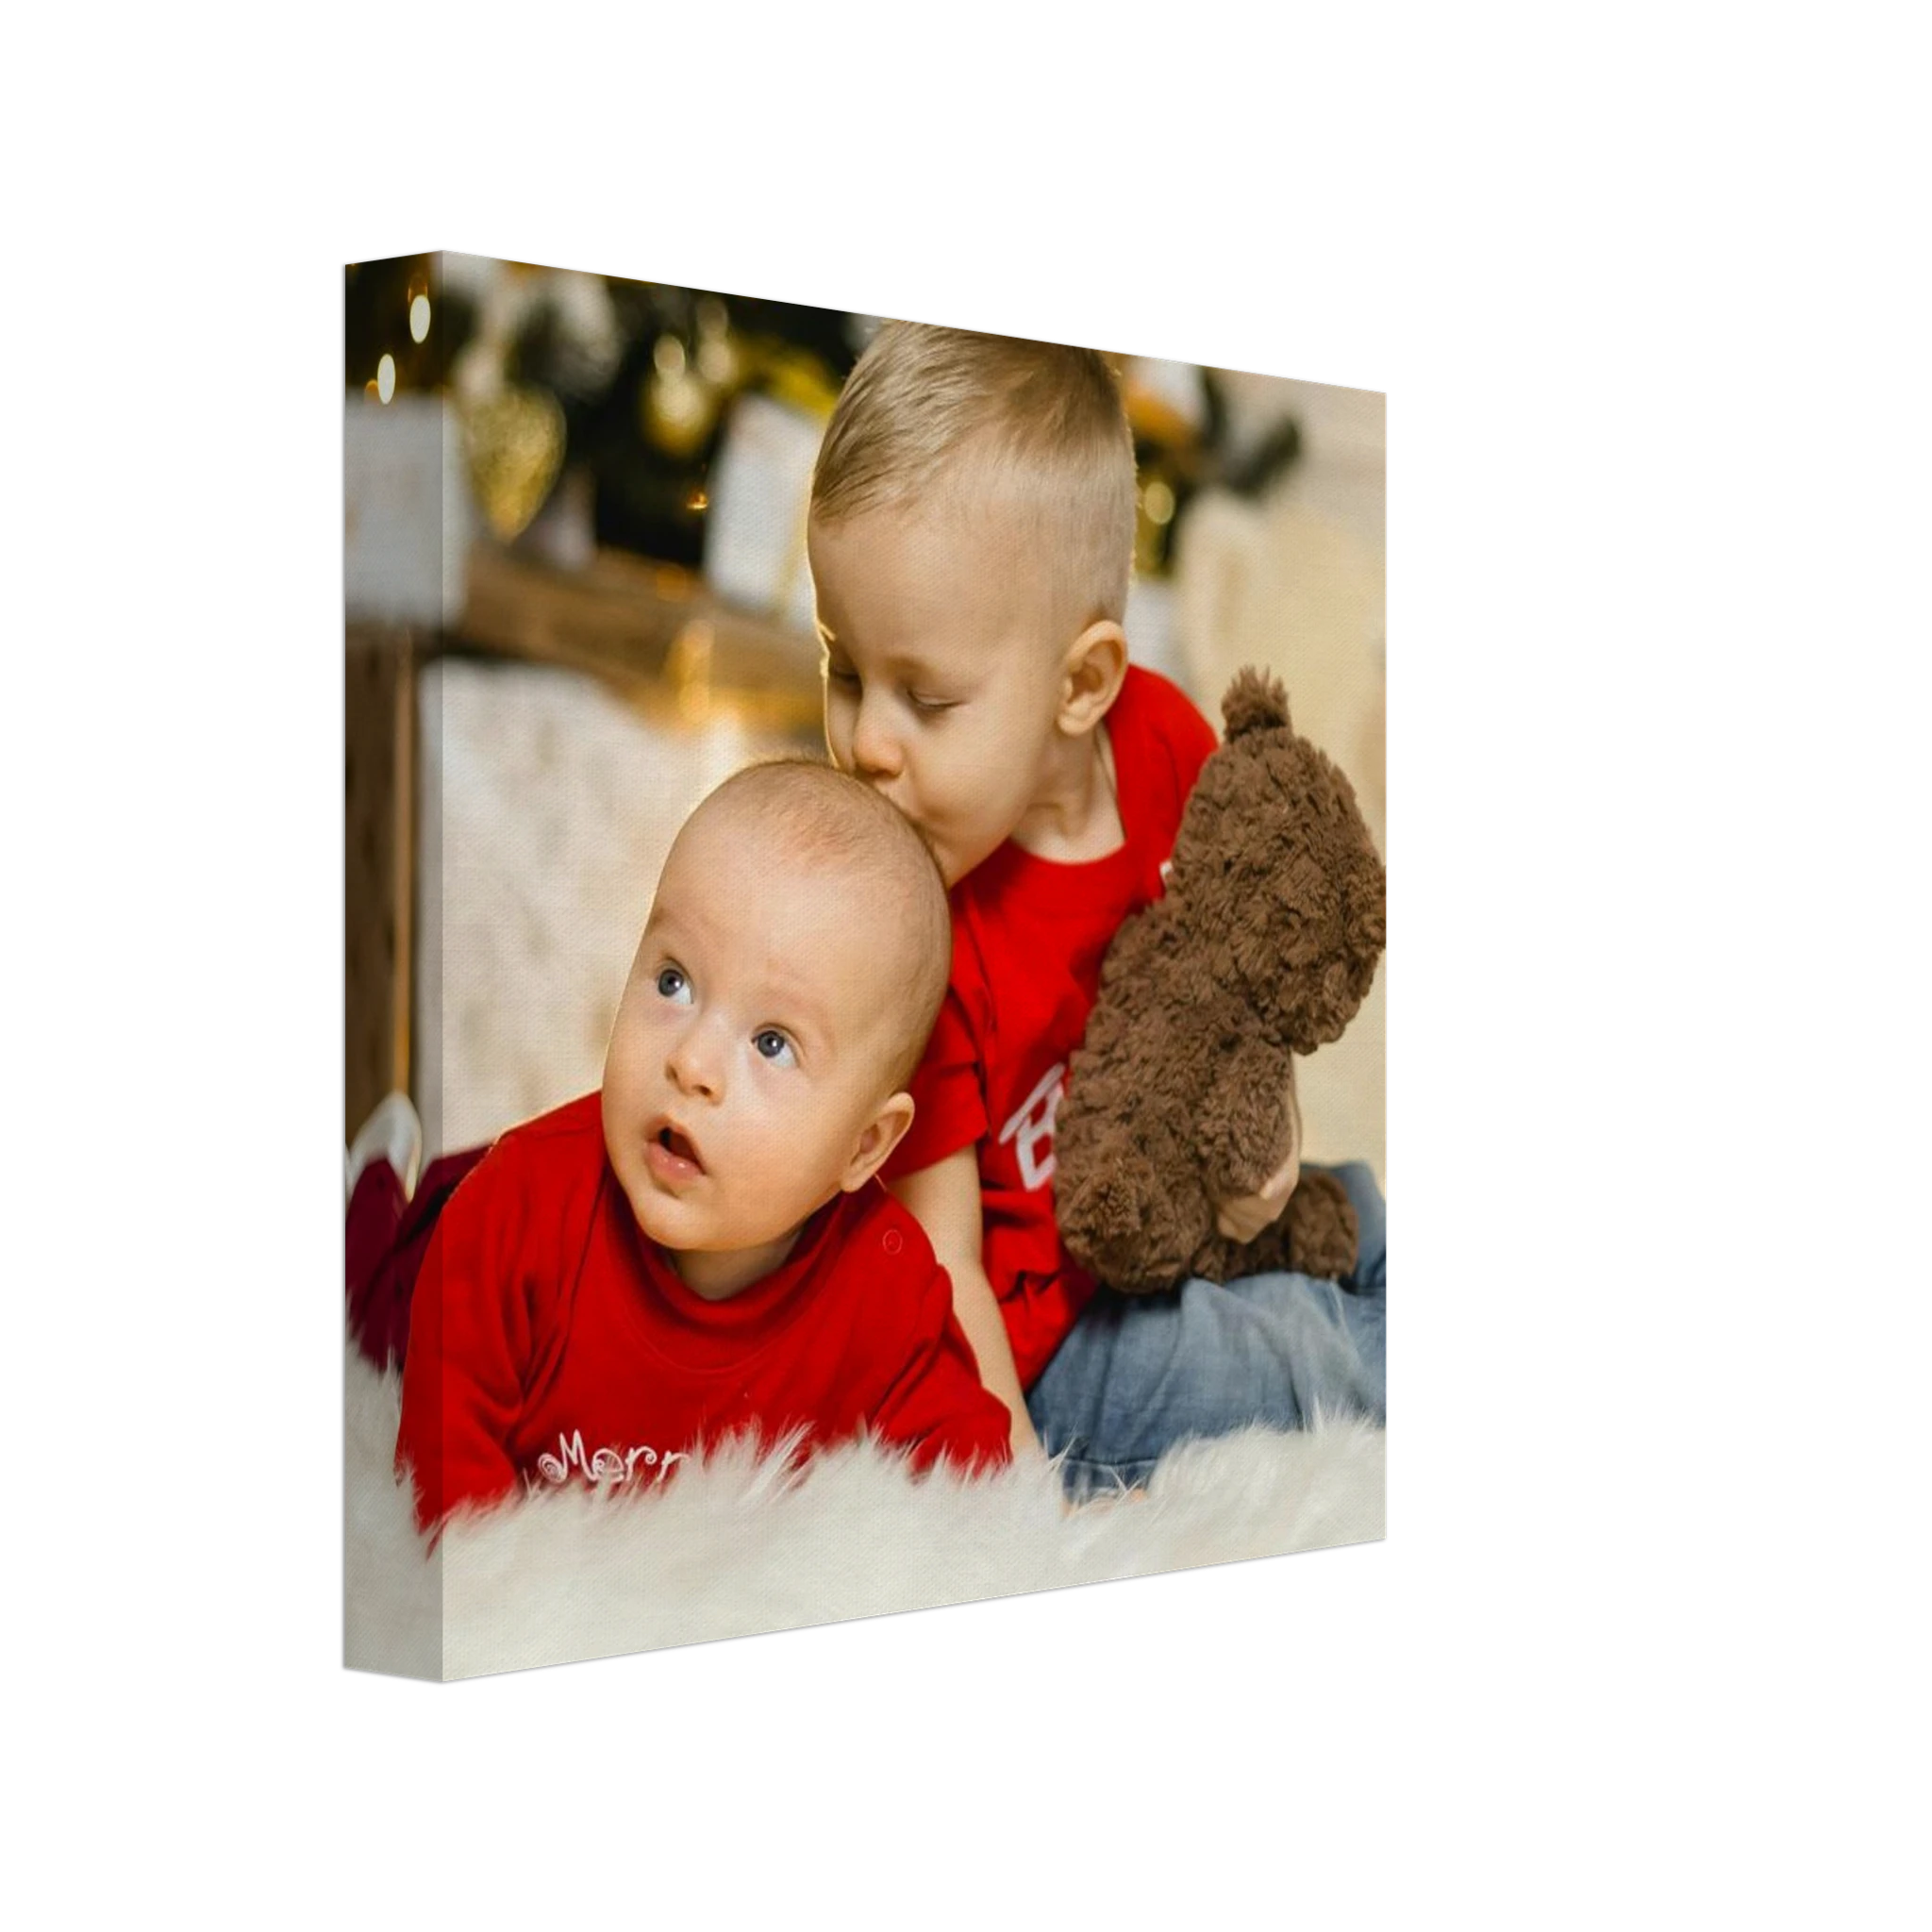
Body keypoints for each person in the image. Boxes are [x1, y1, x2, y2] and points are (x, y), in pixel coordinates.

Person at [805, 322, 1387, 1498]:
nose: (866, 740)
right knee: (1284, 1356)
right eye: (846, 670)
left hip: (1178, 1223)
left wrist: (1262, 1150)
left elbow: (1236, 981)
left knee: (1360, 1204)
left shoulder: (1165, 742)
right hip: (1057, 1347)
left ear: (1082, 683)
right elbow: (943, 1268)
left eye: (923, 695)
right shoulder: (911, 927)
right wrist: (1020, 1498)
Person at [358, 758, 1012, 1536]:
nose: (691, 1064)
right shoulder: (512, 1220)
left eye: (772, 1042)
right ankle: (372, 1181)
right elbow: (449, 1498)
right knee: (366, 1291)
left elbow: (981, 1499)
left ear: (864, 1147)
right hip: (430, 1271)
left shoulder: (886, 1293)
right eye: (673, 983)